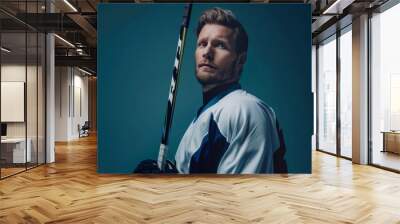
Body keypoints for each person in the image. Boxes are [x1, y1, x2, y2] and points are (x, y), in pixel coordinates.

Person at [174, 7, 287, 174]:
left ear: (240, 60)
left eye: (220, 45)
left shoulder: (244, 110)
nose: (207, 52)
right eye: (202, 44)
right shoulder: (209, 114)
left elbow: (240, 195)